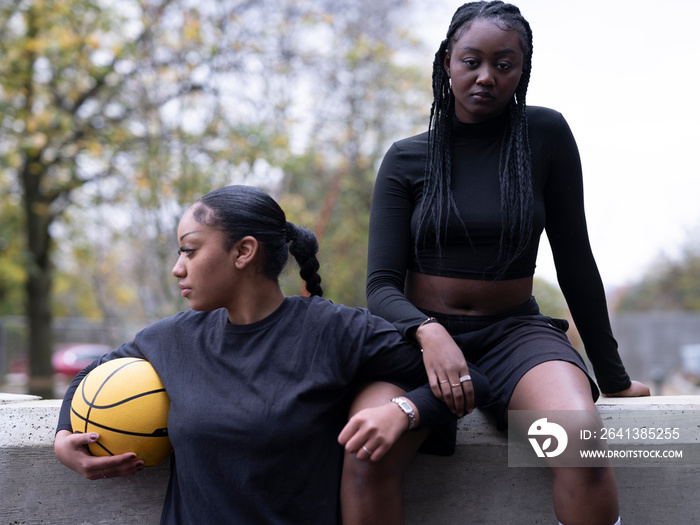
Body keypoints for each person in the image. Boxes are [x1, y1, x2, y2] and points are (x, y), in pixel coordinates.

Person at [341, 2, 650, 525]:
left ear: (522, 69)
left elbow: (575, 260)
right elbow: (381, 285)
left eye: (504, 64)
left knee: (581, 444)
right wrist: (428, 332)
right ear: (447, 63)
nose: (486, 76)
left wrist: (613, 376)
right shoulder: (407, 158)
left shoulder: (545, 136)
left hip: (514, 334)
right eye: (471, 61)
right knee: (363, 456)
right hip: (415, 343)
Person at [54, 184, 489, 524]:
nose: (177, 267)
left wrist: (403, 411)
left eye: (189, 249)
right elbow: (91, 376)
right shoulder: (172, 338)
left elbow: (471, 378)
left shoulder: (333, 331)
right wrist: (62, 440)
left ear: (243, 251)